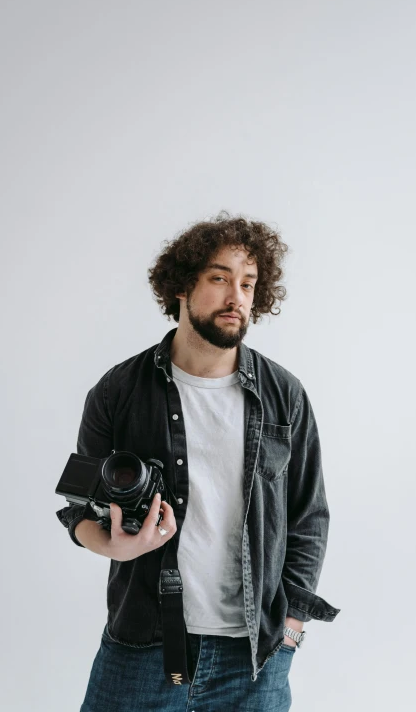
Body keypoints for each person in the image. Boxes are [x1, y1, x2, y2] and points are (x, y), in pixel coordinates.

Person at [56, 211, 340, 712]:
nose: (237, 298)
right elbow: (79, 507)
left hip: (254, 658)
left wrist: (292, 626)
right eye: (219, 278)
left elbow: (308, 516)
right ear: (182, 286)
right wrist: (113, 546)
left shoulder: (284, 396)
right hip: (143, 645)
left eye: (249, 284)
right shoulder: (119, 391)